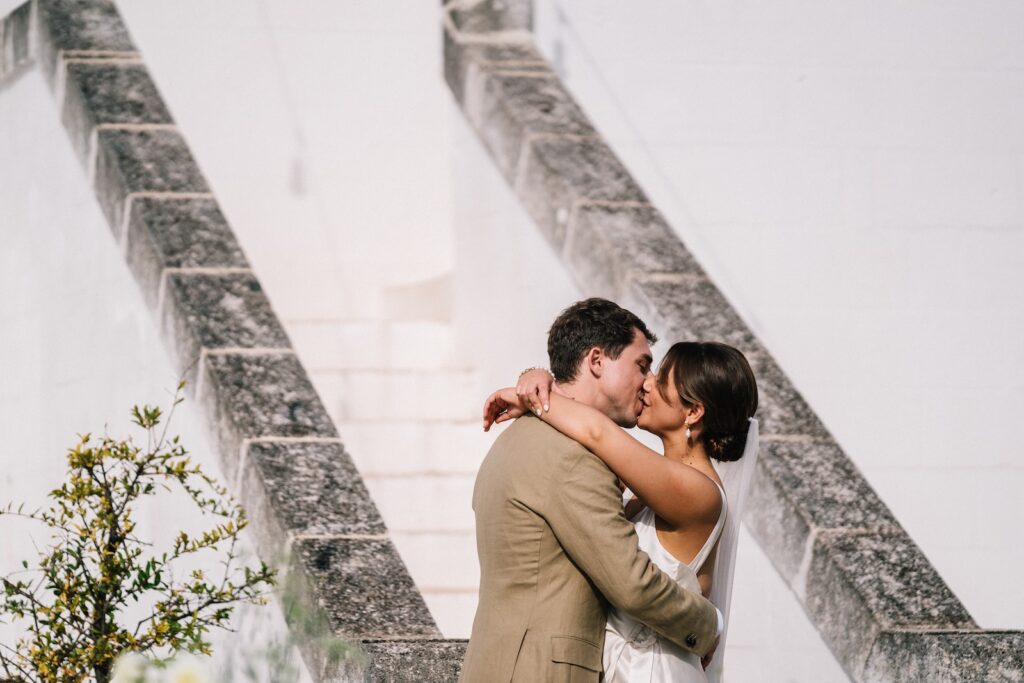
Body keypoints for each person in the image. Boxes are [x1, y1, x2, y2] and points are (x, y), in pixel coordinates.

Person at [460, 299, 721, 683]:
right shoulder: (572, 457)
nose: (648, 382)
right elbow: (630, 583)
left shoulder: (527, 435)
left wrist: (532, 385)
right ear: (597, 361)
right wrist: (707, 624)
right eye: (642, 365)